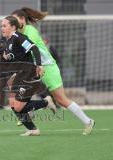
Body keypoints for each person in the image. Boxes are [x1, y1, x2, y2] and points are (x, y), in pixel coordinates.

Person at [11, 7, 95, 135]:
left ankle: (88, 121)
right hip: (34, 69)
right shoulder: (18, 34)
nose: (13, 22)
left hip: (47, 68)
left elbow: (29, 51)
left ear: (22, 19)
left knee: (61, 99)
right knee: (17, 90)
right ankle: (31, 113)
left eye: (14, 20)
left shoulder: (30, 31)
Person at [0, 16, 52, 136]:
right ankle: (33, 129)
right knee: (13, 104)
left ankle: (46, 102)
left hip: (28, 74)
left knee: (18, 106)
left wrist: (39, 65)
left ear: (13, 27)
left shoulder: (18, 37)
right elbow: (8, 60)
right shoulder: (8, 42)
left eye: (4, 26)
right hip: (19, 75)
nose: (2, 28)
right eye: (1, 26)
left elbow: (34, 48)